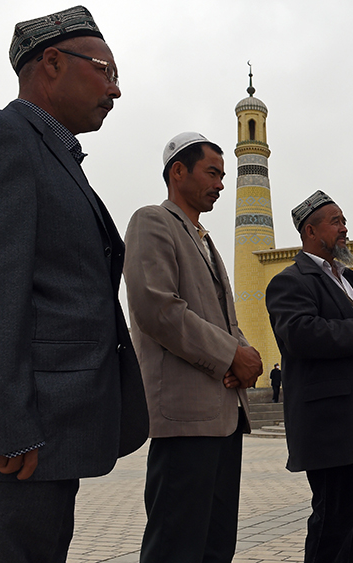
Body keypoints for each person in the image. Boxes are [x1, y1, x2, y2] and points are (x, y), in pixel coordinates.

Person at [0, 7, 149, 562]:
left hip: (40, 442)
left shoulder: (55, 157)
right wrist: (4, 427)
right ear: (52, 63)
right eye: (105, 71)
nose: (115, 91)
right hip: (1, 454)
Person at [124, 132, 262, 563]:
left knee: (215, 543)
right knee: (176, 544)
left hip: (224, 413)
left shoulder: (205, 239)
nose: (221, 184)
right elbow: (158, 309)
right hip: (185, 419)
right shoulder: (153, 222)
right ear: (178, 172)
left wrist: (246, 355)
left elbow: (225, 318)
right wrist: (230, 355)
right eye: (213, 173)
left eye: (223, 175)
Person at [265, 190, 353, 562]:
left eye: (344, 221)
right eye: (335, 221)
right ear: (310, 230)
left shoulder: (349, 279)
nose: (344, 228)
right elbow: (301, 334)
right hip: (331, 424)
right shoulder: (292, 281)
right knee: (333, 519)